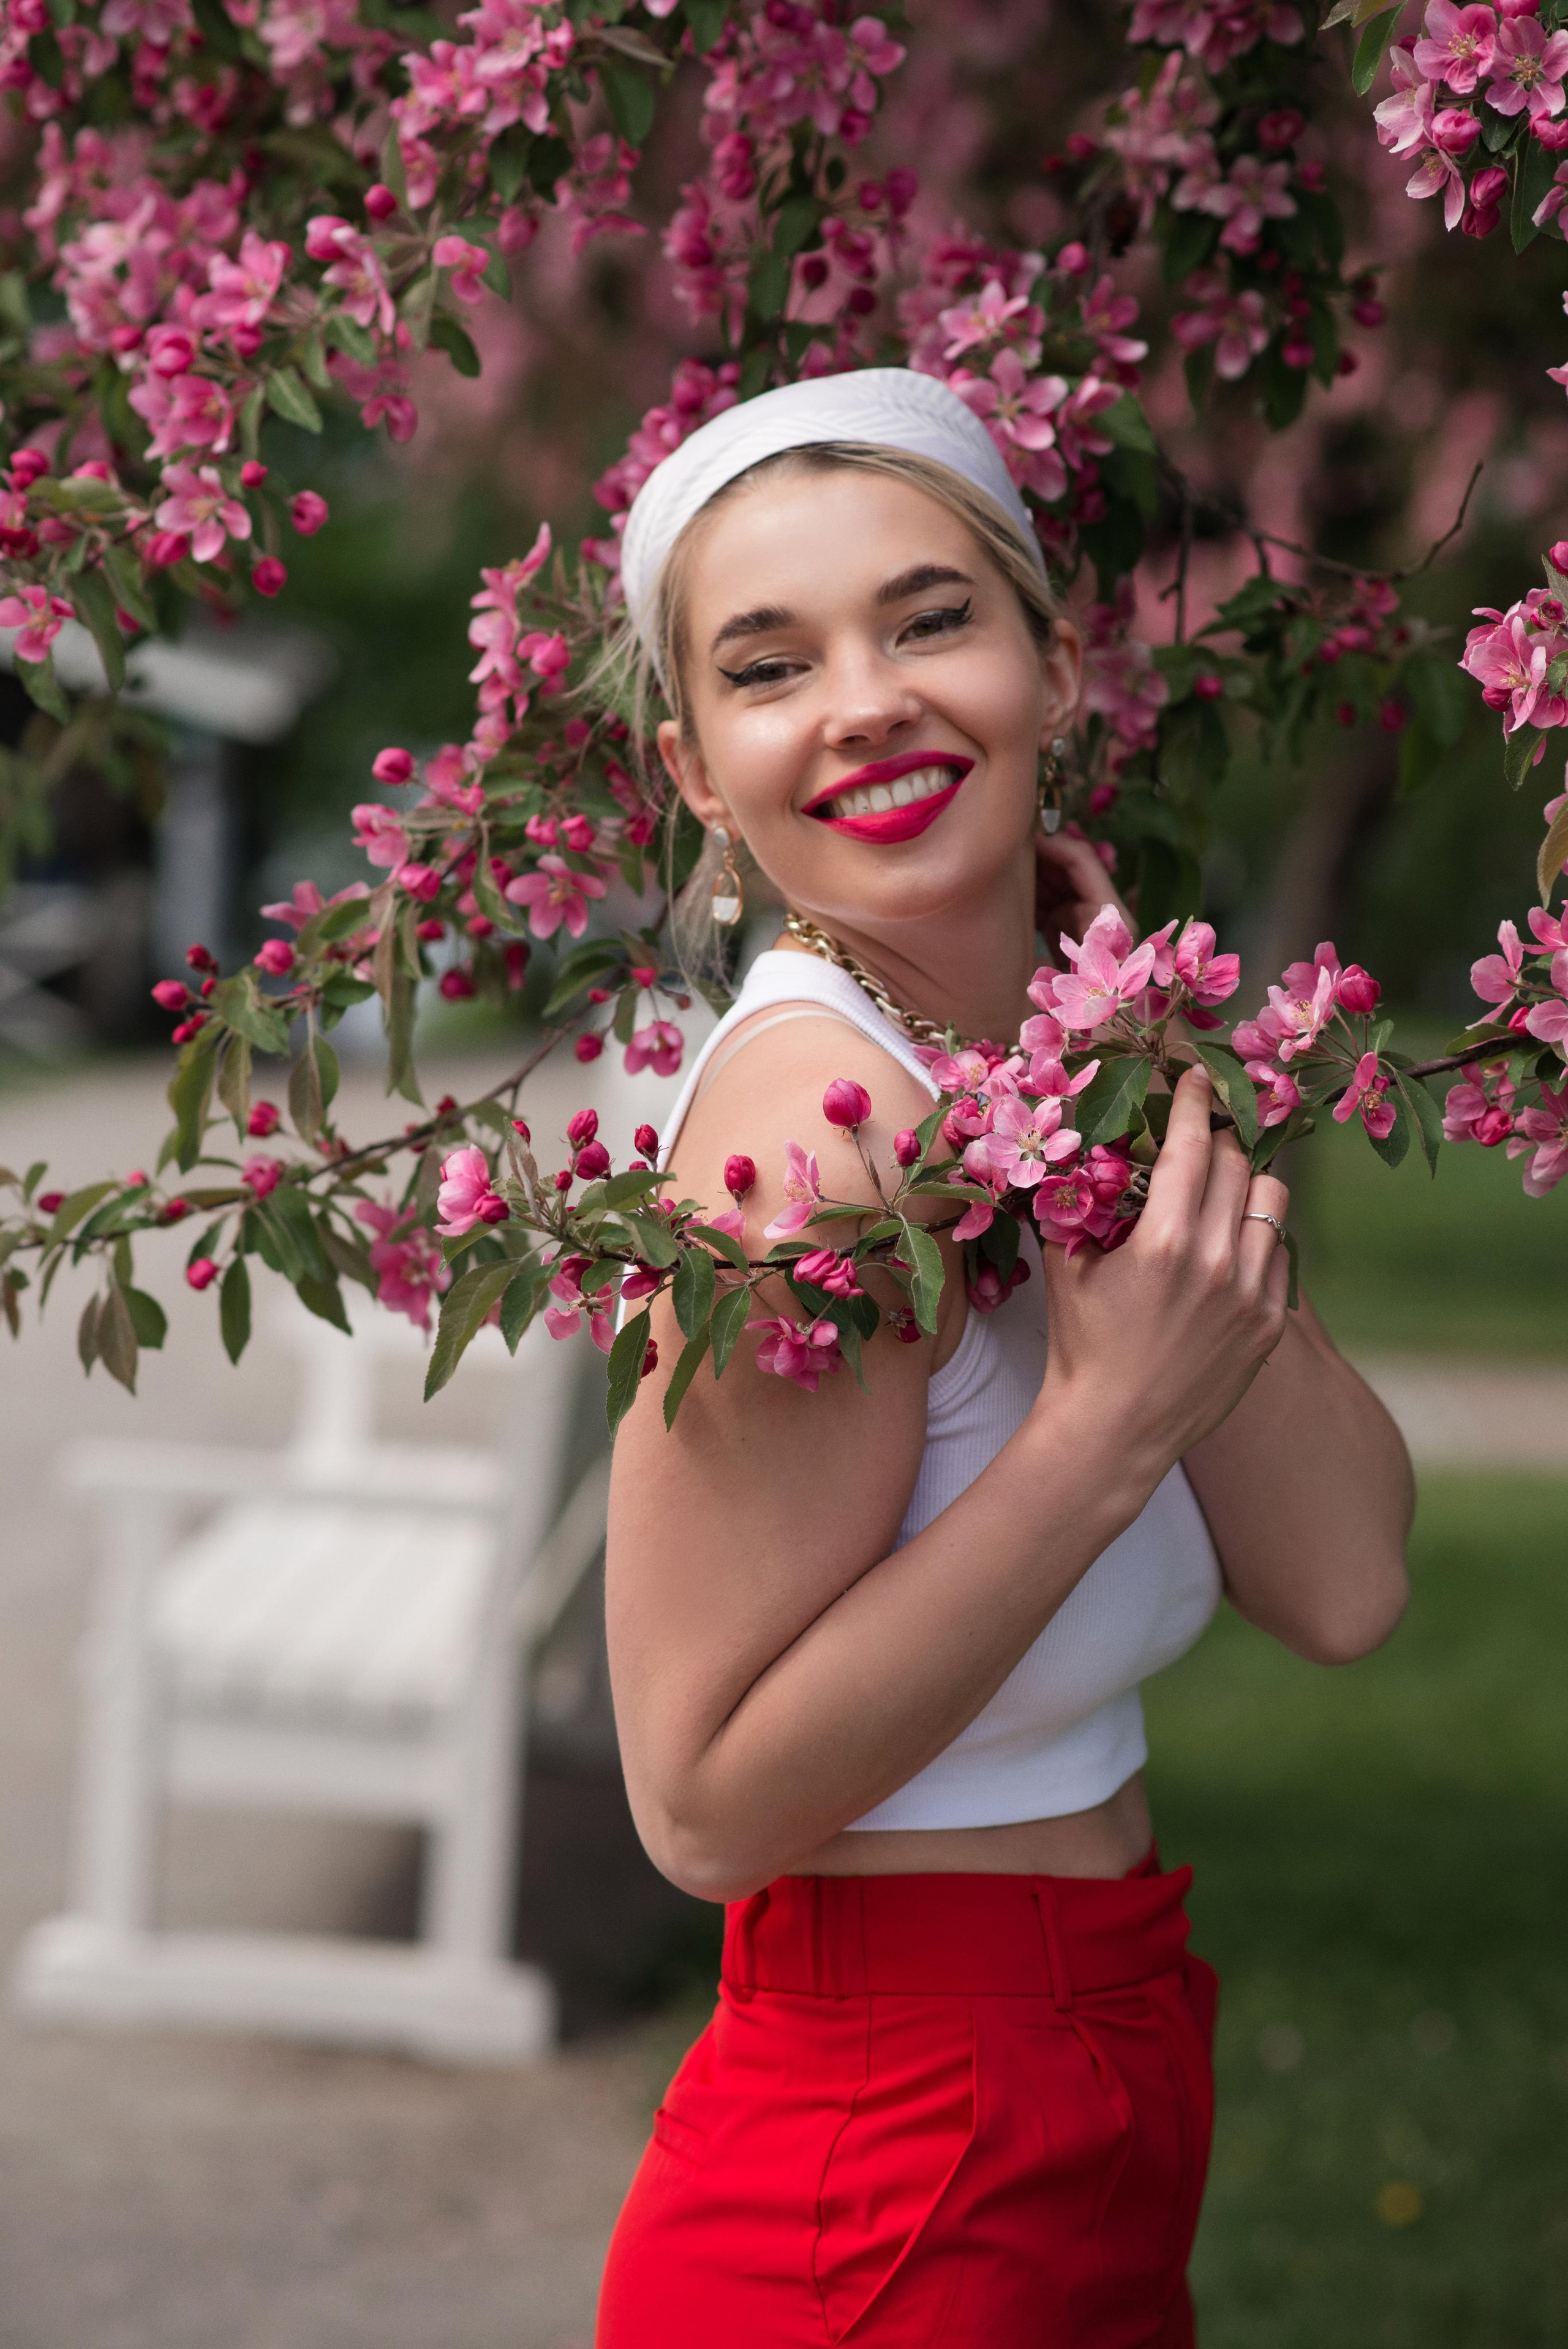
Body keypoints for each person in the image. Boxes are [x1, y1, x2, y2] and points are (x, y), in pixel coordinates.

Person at [595, 371, 1412, 2347]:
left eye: (928, 617)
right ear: (703, 771)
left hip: (1090, 2046)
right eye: (771, 665)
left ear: (1058, 667)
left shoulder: (1043, 1075)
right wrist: (1103, 1429)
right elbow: (700, 1806)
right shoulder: (822, 1136)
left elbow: (1349, 1579)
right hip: (886, 2160)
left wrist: (1119, 1065)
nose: (865, 698)